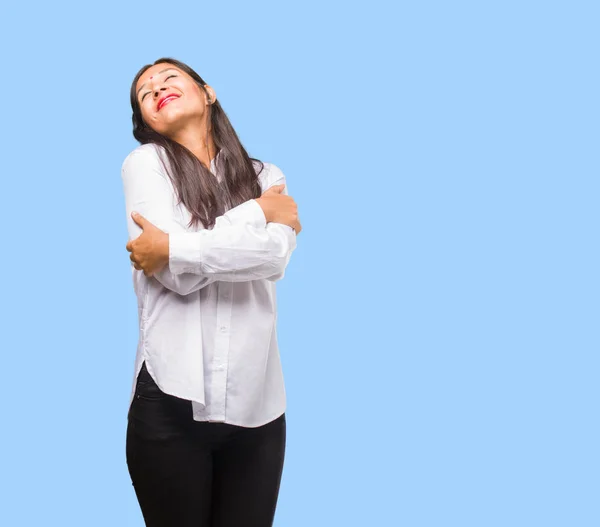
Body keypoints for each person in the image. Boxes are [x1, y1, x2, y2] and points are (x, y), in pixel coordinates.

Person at [120, 57, 301, 527]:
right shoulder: (145, 164)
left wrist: (174, 247)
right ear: (147, 122)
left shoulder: (265, 175)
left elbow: (273, 259)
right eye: (146, 94)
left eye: (169, 78)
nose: (157, 89)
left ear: (208, 92)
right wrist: (256, 215)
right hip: (169, 402)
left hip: (258, 409)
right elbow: (174, 276)